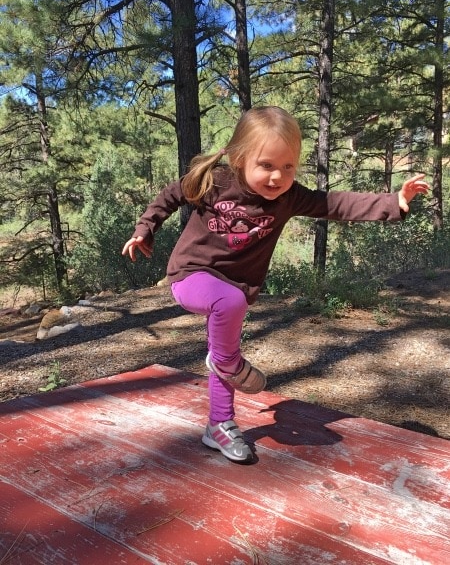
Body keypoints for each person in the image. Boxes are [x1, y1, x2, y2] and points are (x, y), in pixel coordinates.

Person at [122, 106, 429, 464]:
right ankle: (231, 364)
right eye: (266, 165)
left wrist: (395, 202)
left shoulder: (288, 197)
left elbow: (337, 204)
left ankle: (219, 425)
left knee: (222, 346)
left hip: (234, 288)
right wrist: (144, 229)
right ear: (240, 158)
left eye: (288, 167)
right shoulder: (216, 181)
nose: (277, 177)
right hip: (191, 275)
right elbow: (171, 195)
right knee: (228, 321)